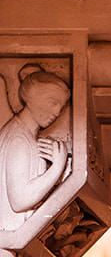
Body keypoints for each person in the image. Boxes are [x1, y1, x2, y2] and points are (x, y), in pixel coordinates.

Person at [0, 62, 71, 232]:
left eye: (60, 107)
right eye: (53, 102)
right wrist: (57, 168)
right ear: (33, 98)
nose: (56, 112)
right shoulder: (19, 139)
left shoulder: (26, 137)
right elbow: (19, 201)